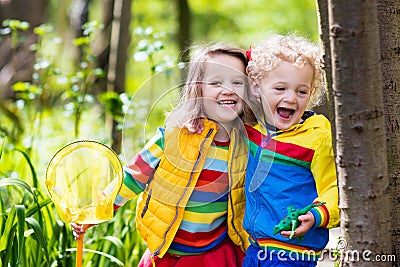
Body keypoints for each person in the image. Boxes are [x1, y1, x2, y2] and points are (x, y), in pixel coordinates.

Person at [72, 43, 256, 267]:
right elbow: (134, 176)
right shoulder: (175, 136)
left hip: (214, 252)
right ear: (198, 89)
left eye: (237, 82)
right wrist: (98, 211)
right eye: (216, 82)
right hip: (168, 253)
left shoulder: (246, 145)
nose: (228, 89)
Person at [242, 34, 340, 267]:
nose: (291, 98)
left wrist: (317, 215)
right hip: (255, 247)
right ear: (257, 87)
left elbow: (335, 187)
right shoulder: (251, 131)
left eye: (301, 91)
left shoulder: (315, 138)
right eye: (280, 88)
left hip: (293, 251)